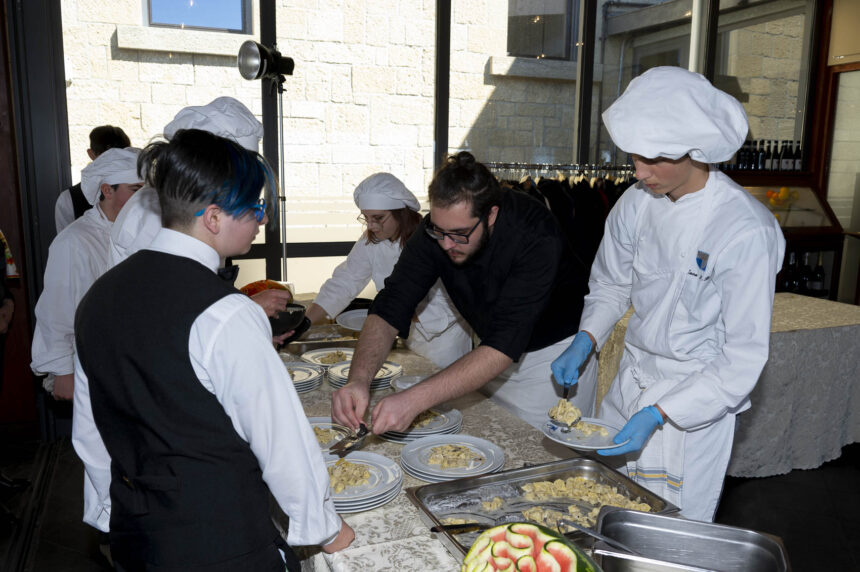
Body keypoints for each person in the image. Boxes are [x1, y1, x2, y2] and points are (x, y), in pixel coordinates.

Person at [72, 129, 354, 571]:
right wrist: (324, 527)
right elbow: (279, 436)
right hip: (223, 542)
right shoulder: (226, 312)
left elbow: (91, 430)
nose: (262, 219)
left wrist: (109, 510)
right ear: (214, 217)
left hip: (139, 536)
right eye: (256, 207)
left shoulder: (96, 298)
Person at [551, 66, 786, 522]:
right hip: (631, 382)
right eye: (634, 157)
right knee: (603, 513)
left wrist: (661, 413)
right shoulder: (636, 203)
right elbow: (612, 284)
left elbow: (742, 357)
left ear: (697, 150)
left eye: (654, 160)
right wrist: (588, 337)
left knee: (669, 532)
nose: (640, 172)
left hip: (694, 403)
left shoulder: (744, 230)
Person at [332, 151, 591, 432]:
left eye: (459, 234)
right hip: (488, 354)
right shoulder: (441, 228)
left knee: (532, 450)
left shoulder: (536, 234)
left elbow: (505, 343)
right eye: (438, 231)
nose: (445, 244)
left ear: (491, 215)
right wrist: (358, 379)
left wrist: (414, 400)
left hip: (550, 358)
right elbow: (391, 303)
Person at [108, 97, 292, 321]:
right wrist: (245, 311)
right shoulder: (153, 211)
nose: (261, 220)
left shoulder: (201, 210)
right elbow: (166, 309)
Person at [306, 172, 472, 368]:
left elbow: (463, 295)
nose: (370, 225)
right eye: (366, 217)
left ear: (401, 213)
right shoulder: (372, 241)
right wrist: (304, 323)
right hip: (405, 337)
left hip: (445, 342)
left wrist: (406, 309)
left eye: (378, 218)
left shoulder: (434, 239)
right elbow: (344, 282)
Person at [31, 148, 143, 401]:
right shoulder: (75, 241)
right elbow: (57, 310)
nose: (145, 198)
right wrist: (63, 371)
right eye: (136, 190)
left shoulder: (147, 231)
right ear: (107, 190)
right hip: (95, 361)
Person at [55, 125, 131, 233]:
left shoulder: (139, 193)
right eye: (106, 157)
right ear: (91, 154)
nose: (112, 164)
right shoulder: (69, 200)